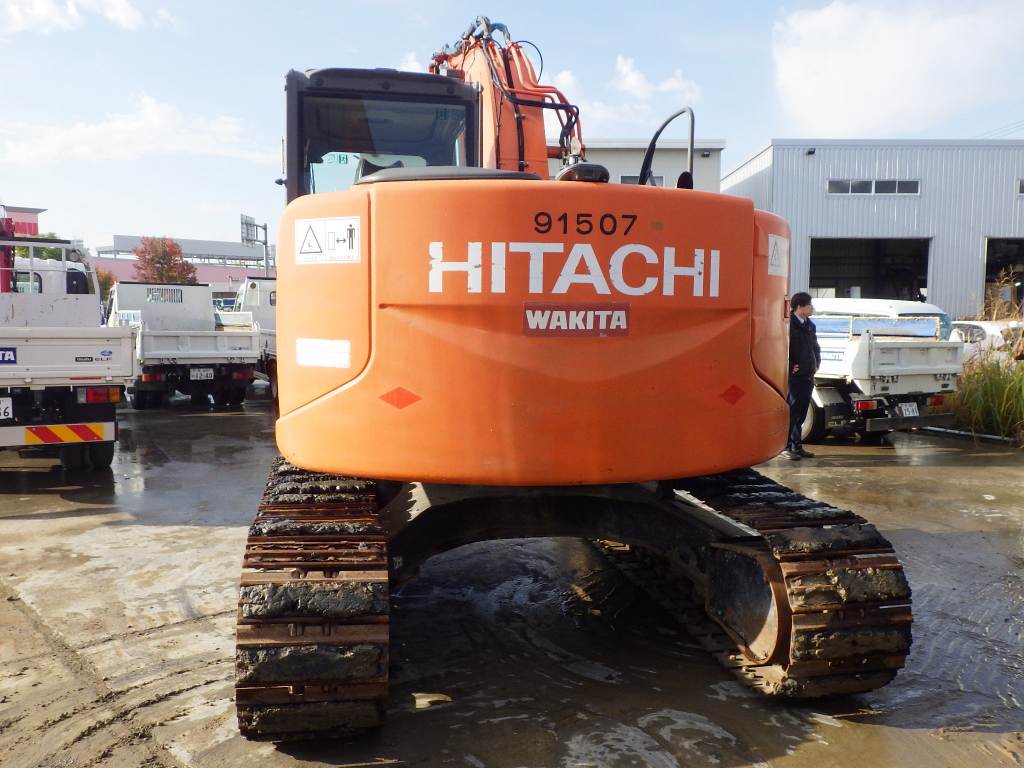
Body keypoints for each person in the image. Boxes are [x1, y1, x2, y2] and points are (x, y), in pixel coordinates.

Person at [781, 292, 820, 460]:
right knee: (793, 411)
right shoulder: (788, 325)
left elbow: (815, 347)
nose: (812, 308)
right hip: (794, 377)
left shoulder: (810, 325)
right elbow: (781, 347)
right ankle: (785, 447)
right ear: (799, 307)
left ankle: (797, 446)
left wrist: (816, 363)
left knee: (802, 411)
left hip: (808, 375)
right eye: (809, 305)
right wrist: (790, 366)